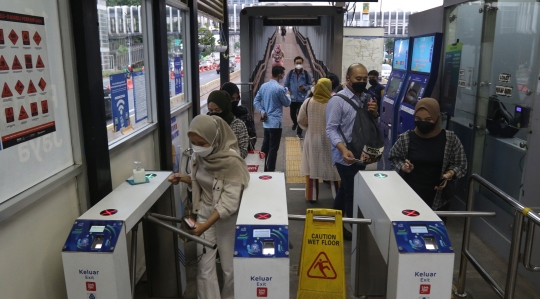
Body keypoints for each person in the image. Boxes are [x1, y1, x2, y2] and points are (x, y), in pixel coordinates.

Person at [168, 115, 250, 299]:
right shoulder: (200, 156)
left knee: (229, 267)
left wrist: (205, 226)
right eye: (194, 142)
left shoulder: (231, 162)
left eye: (202, 143)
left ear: (214, 139)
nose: (197, 147)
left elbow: (229, 202)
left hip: (227, 219)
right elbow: (200, 182)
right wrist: (182, 178)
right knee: (204, 267)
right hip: (204, 212)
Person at [326, 63, 378, 239]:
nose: (362, 82)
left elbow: (370, 124)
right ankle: (355, 232)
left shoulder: (367, 98)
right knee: (352, 193)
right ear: (348, 79)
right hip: (345, 156)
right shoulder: (337, 101)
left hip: (361, 153)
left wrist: (375, 114)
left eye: (365, 79)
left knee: (345, 189)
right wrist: (342, 149)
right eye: (358, 79)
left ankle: (334, 223)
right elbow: (331, 129)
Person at [389, 98, 467, 212]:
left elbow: (461, 164)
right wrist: (403, 166)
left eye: (428, 119)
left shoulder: (450, 139)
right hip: (409, 195)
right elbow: (393, 157)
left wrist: (449, 174)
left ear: (436, 118)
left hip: (438, 199)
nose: (423, 123)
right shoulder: (406, 138)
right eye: (418, 119)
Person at [297, 78, 340, 201]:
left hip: (312, 138)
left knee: (312, 166)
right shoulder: (334, 102)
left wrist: (309, 128)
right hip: (331, 139)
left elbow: (301, 119)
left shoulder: (308, 102)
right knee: (333, 169)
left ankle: (312, 196)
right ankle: (336, 196)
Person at [253, 66, 291, 171]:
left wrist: (262, 111)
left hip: (266, 122)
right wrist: (287, 94)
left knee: (265, 146)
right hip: (276, 123)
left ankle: (261, 167)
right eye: (283, 75)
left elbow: (256, 101)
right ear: (279, 75)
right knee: (273, 149)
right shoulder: (279, 89)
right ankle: (270, 171)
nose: (283, 77)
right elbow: (287, 103)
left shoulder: (263, 86)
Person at [207, 90, 249, 159]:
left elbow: (243, 151)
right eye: (211, 110)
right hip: (209, 166)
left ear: (225, 108)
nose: (214, 113)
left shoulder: (238, 125)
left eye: (217, 110)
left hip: (232, 166)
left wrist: (223, 158)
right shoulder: (206, 123)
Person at [221, 82, 257, 150]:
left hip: (241, 154)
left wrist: (248, 140)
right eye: (232, 99)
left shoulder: (244, 113)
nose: (235, 101)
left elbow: (253, 137)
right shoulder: (218, 114)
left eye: (237, 98)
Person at [284, 56, 312, 138]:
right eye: (297, 63)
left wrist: (305, 88)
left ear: (302, 63)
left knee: (300, 115)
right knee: (292, 114)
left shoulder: (306, 74)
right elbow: (286, 85)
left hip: (302, 98)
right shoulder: (290, 73)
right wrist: (287, 91)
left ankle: (299, 132)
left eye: (300, 63)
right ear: (294, 63)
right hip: (292, 98)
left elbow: (310, 84)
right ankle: (295, 123)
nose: (298, 64)